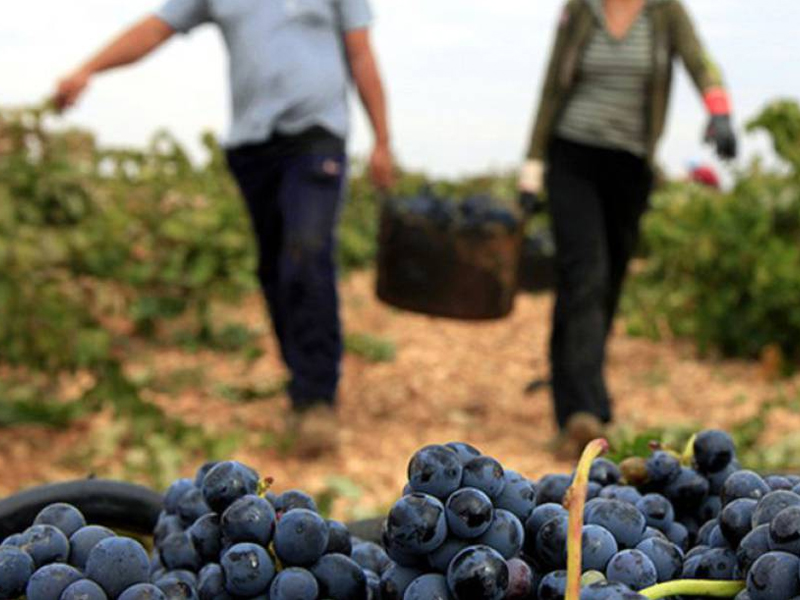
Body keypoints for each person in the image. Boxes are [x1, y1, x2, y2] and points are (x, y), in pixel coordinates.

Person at [54, 0, 394, 455]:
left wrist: (383, 140)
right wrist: (87, 70)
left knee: (306, 254)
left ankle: (317, 400)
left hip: (316, 137)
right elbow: (154, 30)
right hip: (251, 146)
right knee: (274, 268)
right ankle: (300, 381)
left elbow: (360, 54)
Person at [518, 0, 737, 457]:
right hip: (572, 157)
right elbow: (550, 88)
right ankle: (581, 412)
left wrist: (719, 111)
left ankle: (581, 397)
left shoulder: (664, 12)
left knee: (606, 281)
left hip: (630, 165)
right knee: (586, 273)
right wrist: (533, 164)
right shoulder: (581, 9)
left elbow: (700, 61)